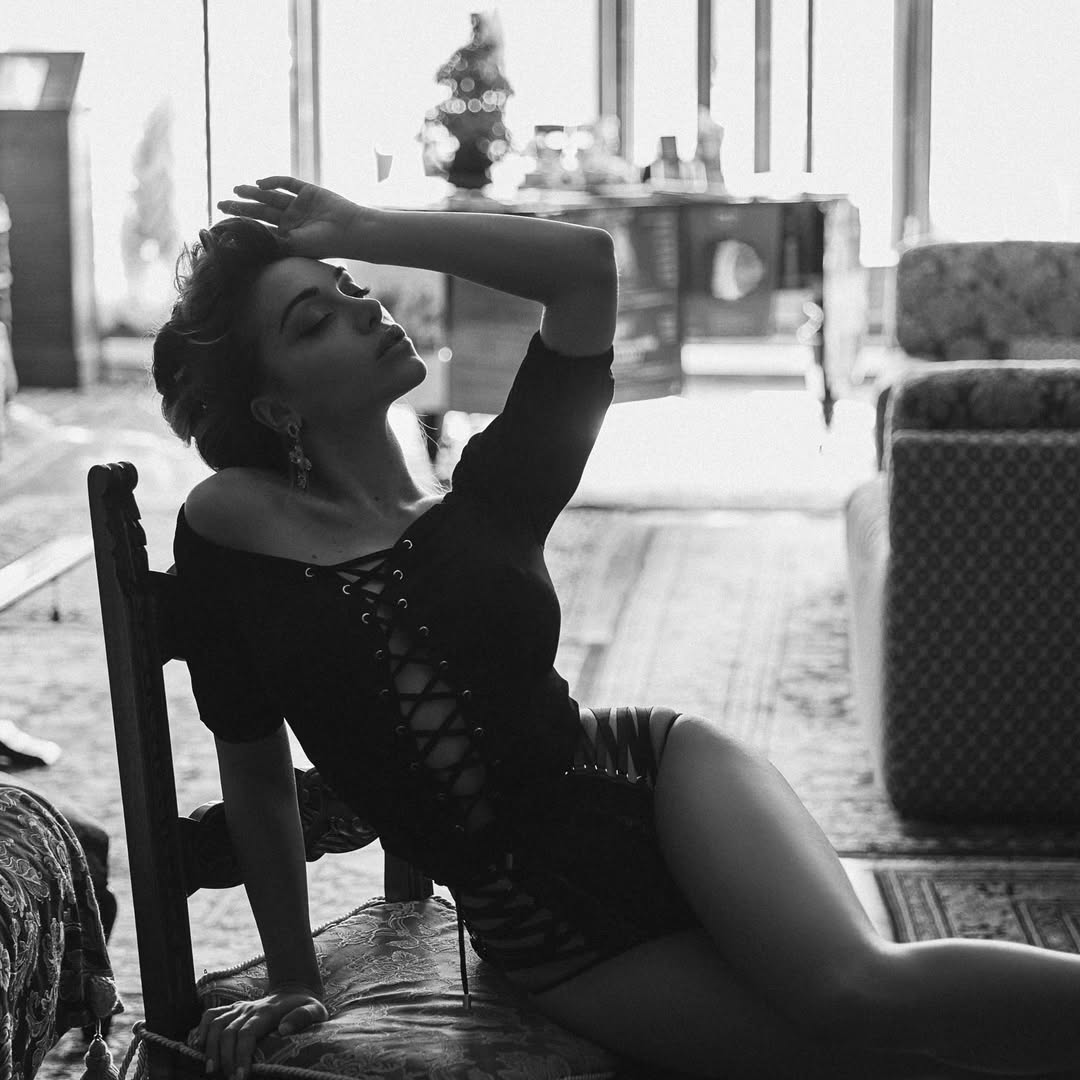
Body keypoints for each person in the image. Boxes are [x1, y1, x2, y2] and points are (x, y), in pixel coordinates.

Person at [154, 176, 1080, 1080]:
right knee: (872, 1062)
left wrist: (363, 226)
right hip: (539, 926)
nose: (363, 308)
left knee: (857, 992)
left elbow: (585, 270)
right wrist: (294, 978)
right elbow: (254, 768)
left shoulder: (496, 492)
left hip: (658, 778)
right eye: (313, 320)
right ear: (276, 409)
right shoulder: (231, 530)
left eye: (353, 286)